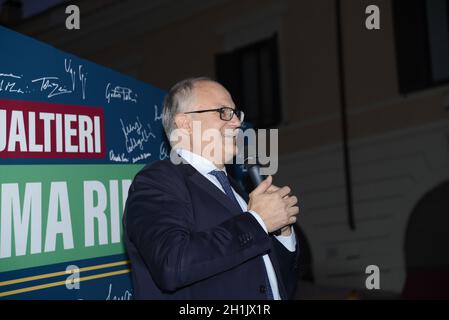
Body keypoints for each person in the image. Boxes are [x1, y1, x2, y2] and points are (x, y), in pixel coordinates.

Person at [122, 77, 300, 299]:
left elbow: (272, 284)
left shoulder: (239, 192)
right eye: (224, 112)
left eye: (237, 114)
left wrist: (282, 234)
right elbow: (172, 264)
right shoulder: (156, 181)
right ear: (185, 124)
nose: (236, 123)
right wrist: (257, 221)